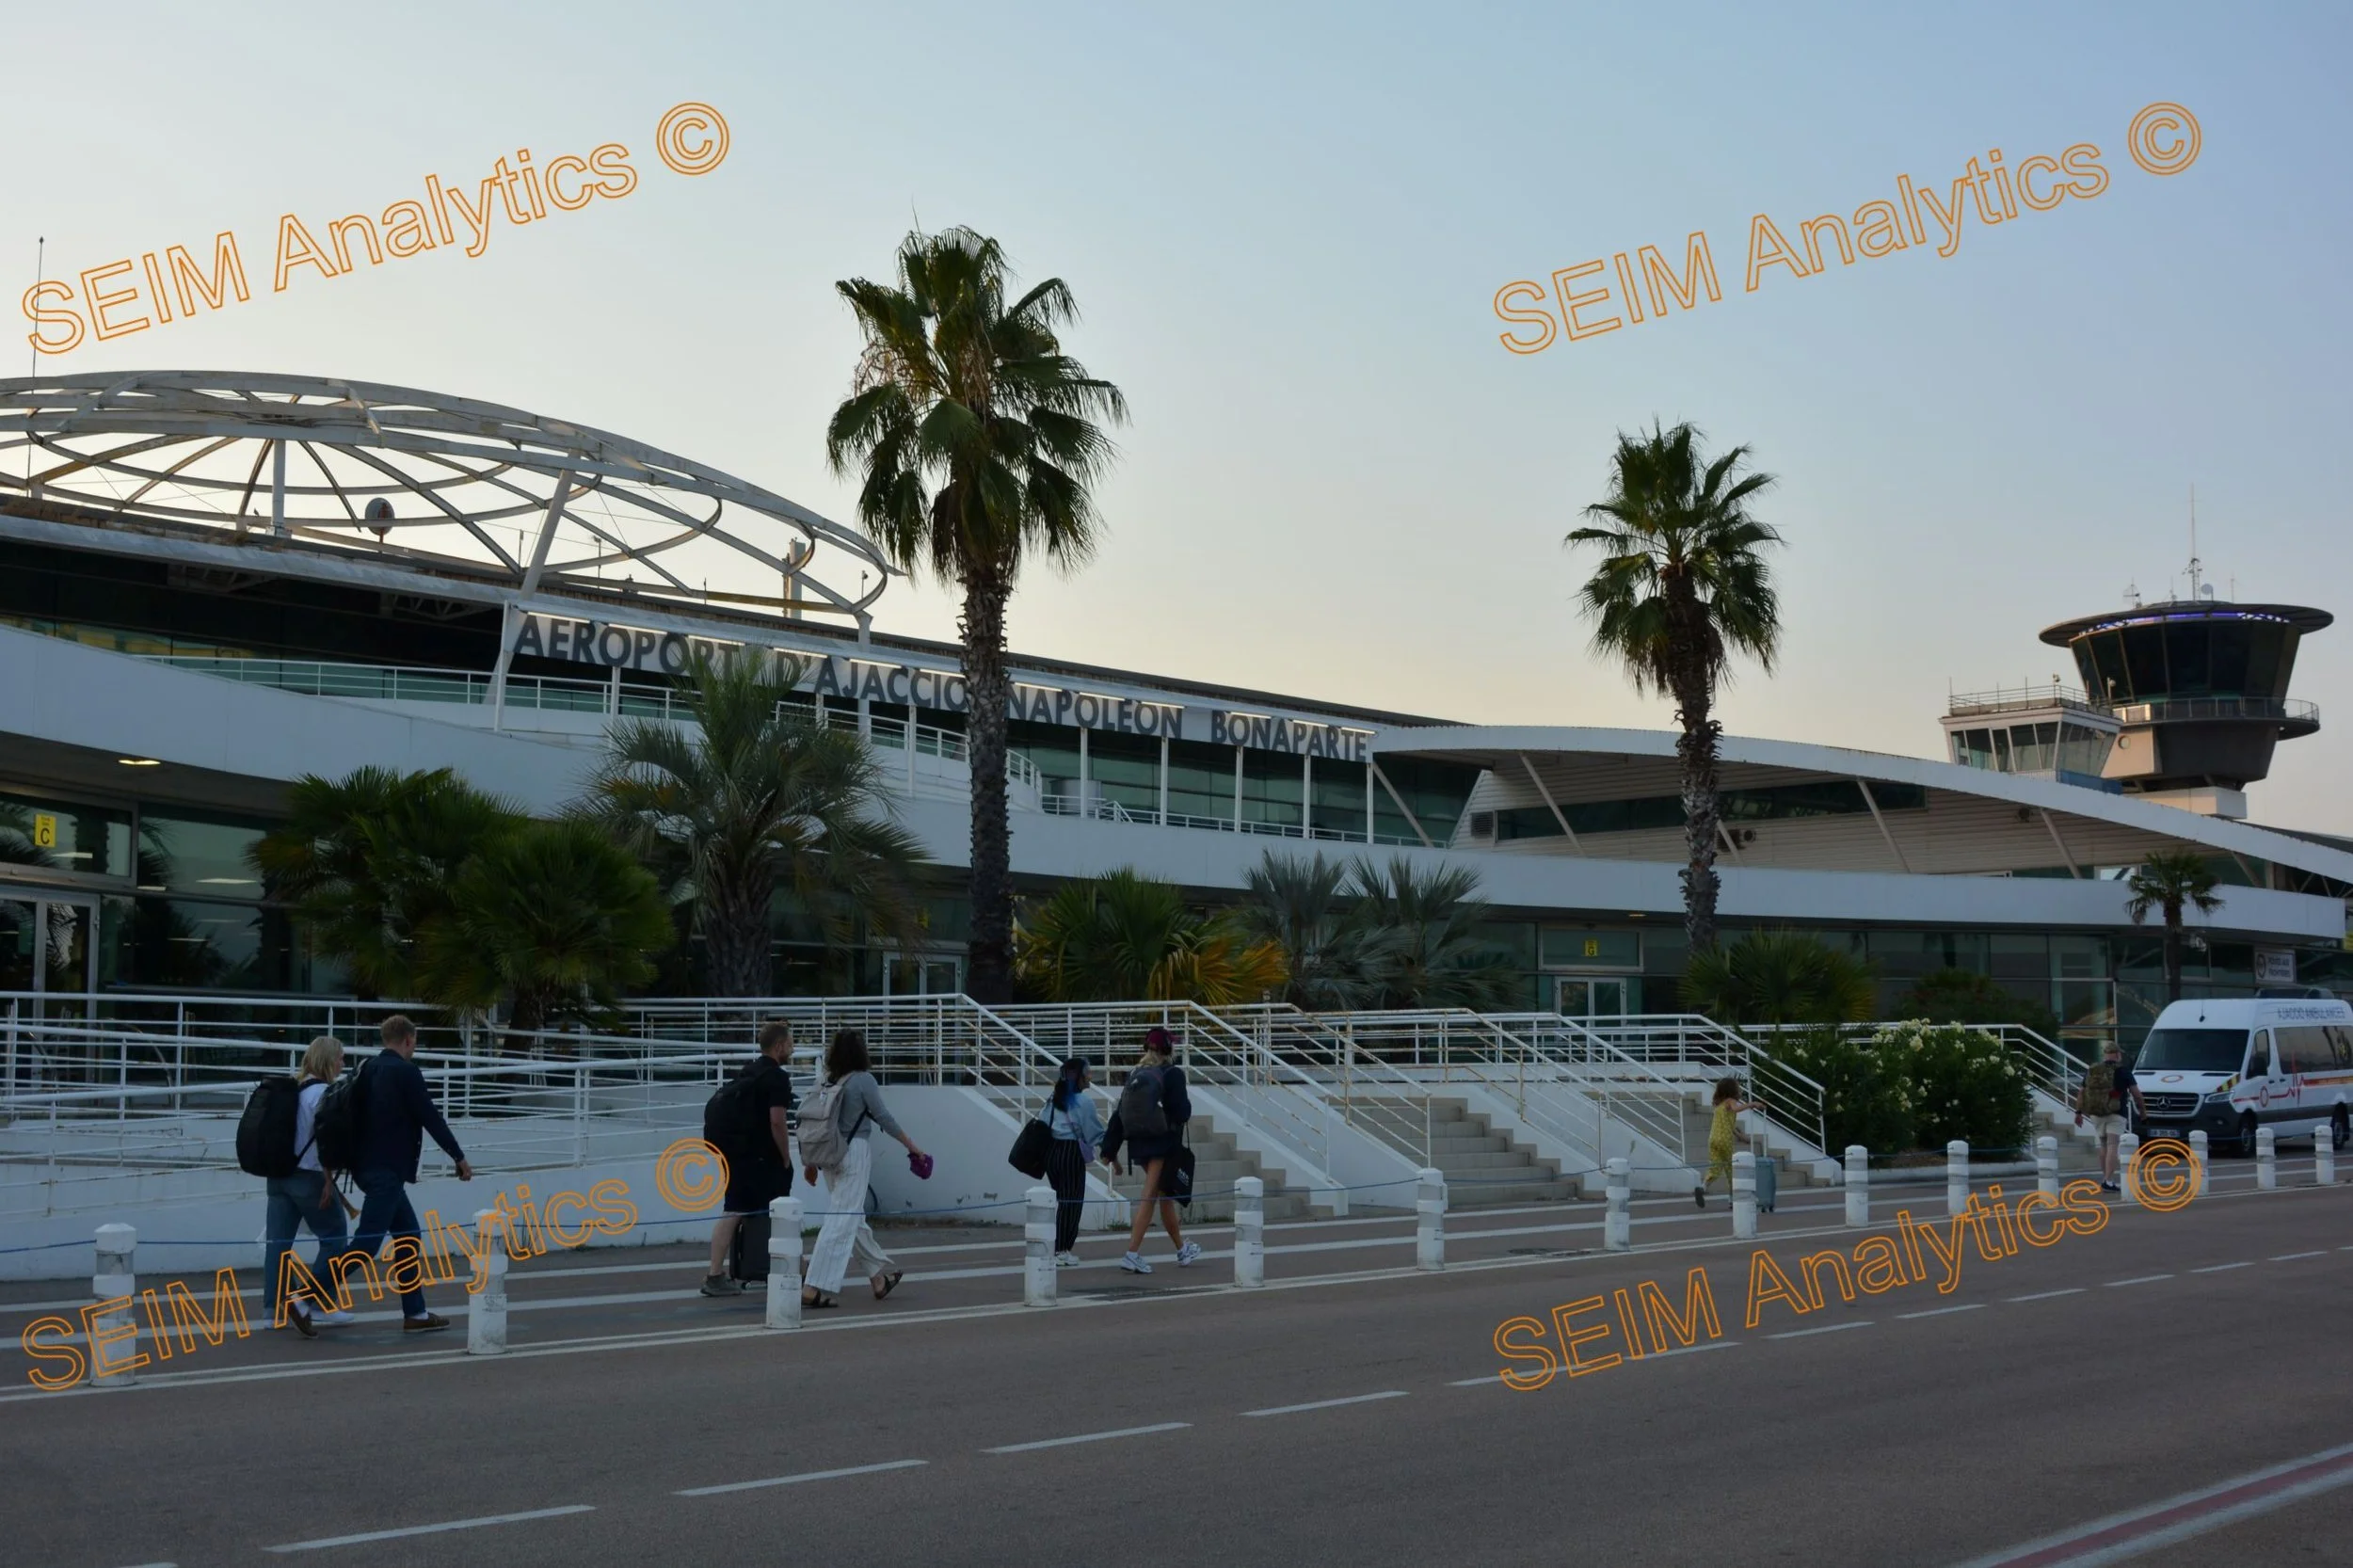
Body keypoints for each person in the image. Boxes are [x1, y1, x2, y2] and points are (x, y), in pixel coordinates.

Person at [352, 1014, 473, 1332]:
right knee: (365, 1245)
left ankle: (416, 1314)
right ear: (408, 1040)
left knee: (408, 1235)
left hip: (365, 1167)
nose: (414, 1047)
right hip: (387, 1171)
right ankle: (304, 1297)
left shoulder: (366, 1068)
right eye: (415, 1041)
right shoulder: (406, 1072)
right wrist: (458, 1157)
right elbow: (430, 1117)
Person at [801, 1029, 926, 1309]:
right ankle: (813, 1285)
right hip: (854, 1152)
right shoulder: (863, 1080)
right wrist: (912, 1146)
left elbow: (815, 1121)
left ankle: (877, 1278)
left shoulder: (825, 1079)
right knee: (841, 1219)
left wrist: (810, 1162)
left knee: (851, 1217)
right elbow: (884, 1117)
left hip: (829, 1153)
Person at [264, 1035, 355, 1338]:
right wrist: (329, 1179)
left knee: (278, 1246)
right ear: (328, 1060)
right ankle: (311, 1302)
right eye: (340, 1057)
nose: (343, 1063)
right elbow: (325, 1140)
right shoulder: (324, 1094)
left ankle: (272, 1312)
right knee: (335, 1240)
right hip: (309, 1176)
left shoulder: (293, 1090)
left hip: (278, 1176)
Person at [704, 1020, 798, 1297]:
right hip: (758, 1158)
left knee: (738, 1209)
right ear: (779, 1046)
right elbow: (778, 1122)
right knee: (746, 1211)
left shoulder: (750, 1071)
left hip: (737, 1153)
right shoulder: (777, 1077)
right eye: (790, 1044)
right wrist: (785, 1156)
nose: (792, 1049)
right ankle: (715, 1275)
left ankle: (726, 1272)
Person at [1101, 1026, 1200, 1273]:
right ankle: (1132, 1253)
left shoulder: (1136, 1073)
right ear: (1168, 1048)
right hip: (1162, 1144)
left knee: (1165, 1196)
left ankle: (1182, 1249)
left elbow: (1120, 1112)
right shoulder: (1172, 1074)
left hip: (1138, 1143)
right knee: (1150, 1196)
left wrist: (1109, 1149)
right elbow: (1182, 1112)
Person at [1044, 1056, 1106, 1268]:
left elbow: (1044, 1122)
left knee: (1062, 1201)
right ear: (1078, 1077)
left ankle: (1058, 1248)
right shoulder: (1084, 1102)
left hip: (1051, 1152)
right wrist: (1110, 1147)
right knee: (1072, 1203)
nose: (1090, 1076)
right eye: (1087, 1072)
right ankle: (1061, 1249)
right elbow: (1093, 1134)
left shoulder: (1054, 1098)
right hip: (1071, 1153)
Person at [2076, 1040, 2145, 1192]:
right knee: (2113, 1145)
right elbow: (2137, 1095)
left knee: (2103, 1145)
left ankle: (2106, 1178)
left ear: (2105, 1055)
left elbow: (2081, 1092)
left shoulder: (2093, 1069)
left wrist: (2078, 1112)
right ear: (2118, 1055)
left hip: (2096, 1112)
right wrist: (2143, 1111)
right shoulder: (2124, 1070)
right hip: (2116, 1113)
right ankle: (2108, 1180)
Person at [1694, 1077, 1748, 1209]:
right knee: (1731, 1170)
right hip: (1725, 1140)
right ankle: (1732, 1199)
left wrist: (1739, 1135)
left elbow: (1728, 1124)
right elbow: (1736, 1109)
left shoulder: (1719, 1105)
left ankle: (1703, 1187)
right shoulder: (1731, 1101)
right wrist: (1752, 1105)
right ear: (1733, 1090)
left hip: (1713, 1139)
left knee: (1715, 1167)